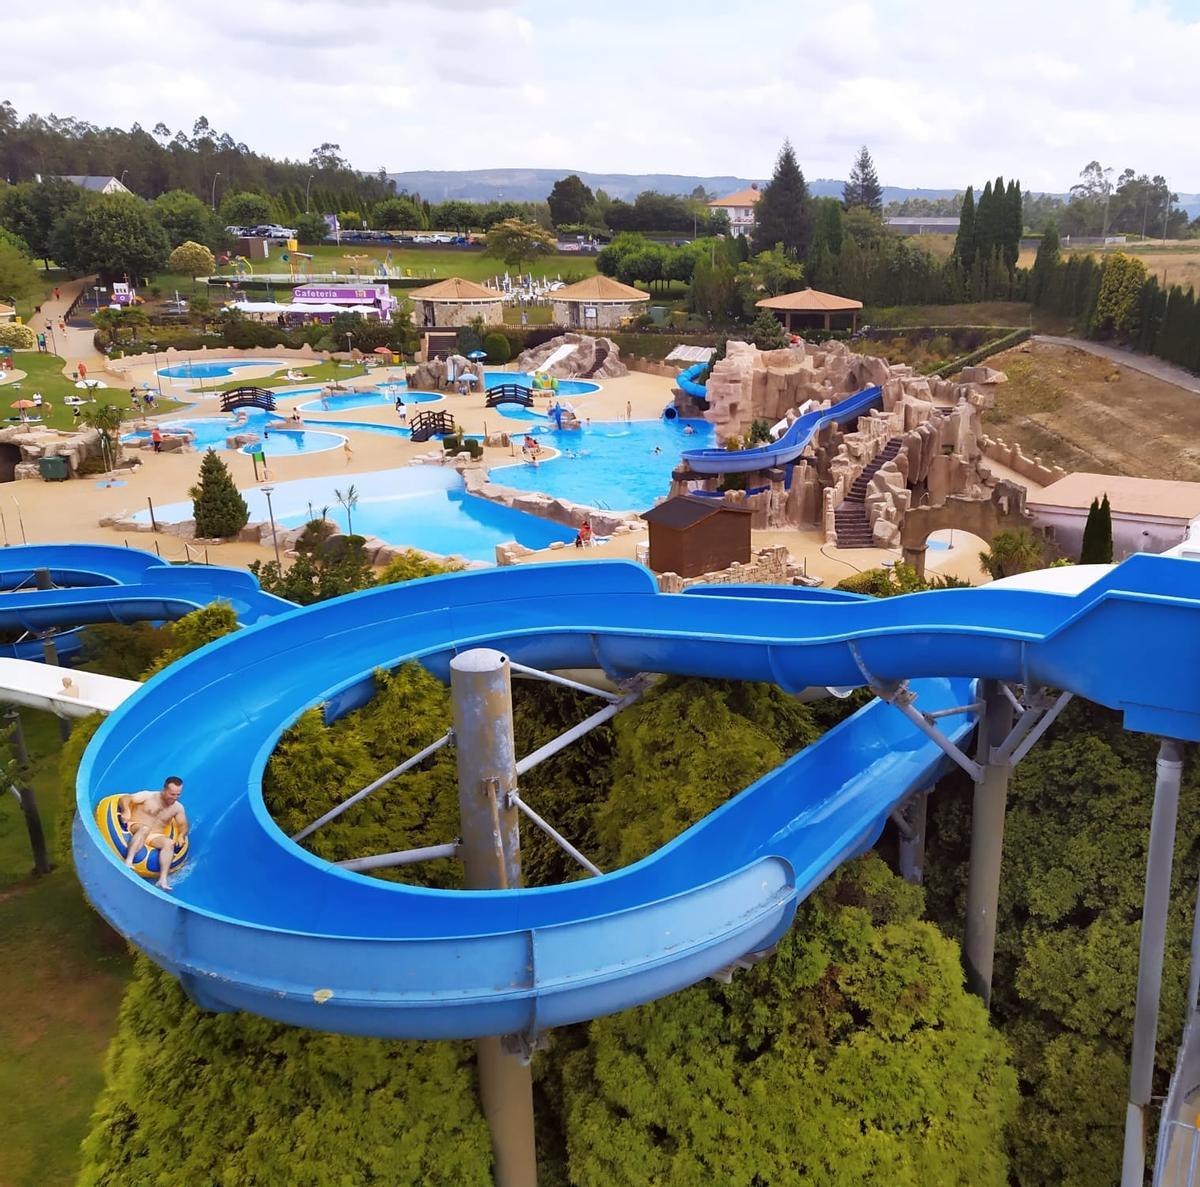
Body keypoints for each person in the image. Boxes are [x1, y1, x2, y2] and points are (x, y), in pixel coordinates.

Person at [117, 777, 187, 890]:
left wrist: (181, 835)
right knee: (145, 829)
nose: (175, 798)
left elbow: (183, 824)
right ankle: (128, 861)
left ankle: (162, 880)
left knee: (168, 843)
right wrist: (126, 810)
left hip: (154, 835)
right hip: (136, 826)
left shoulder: (178, 808)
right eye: (172, 794)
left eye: (178, 795)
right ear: (164, 790)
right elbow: (125, 798)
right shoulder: (148, 796)